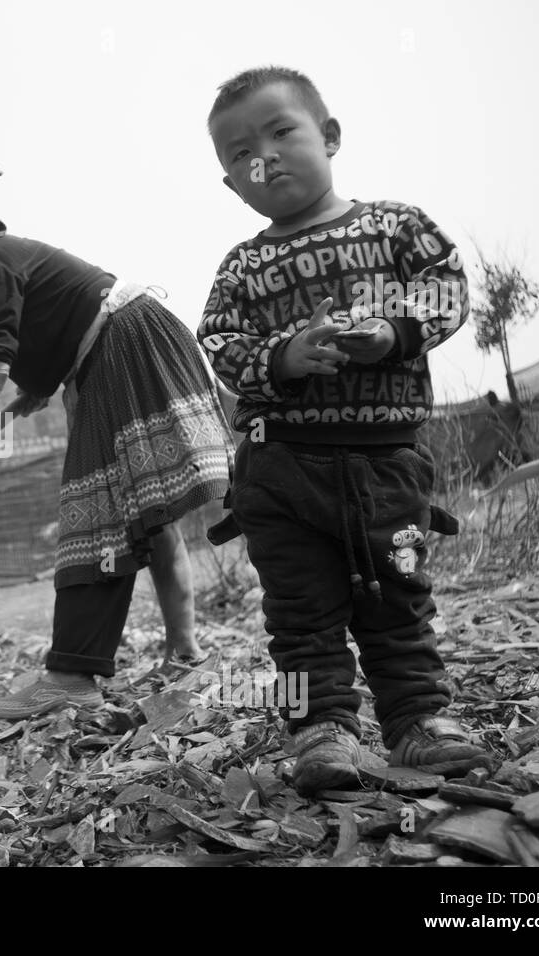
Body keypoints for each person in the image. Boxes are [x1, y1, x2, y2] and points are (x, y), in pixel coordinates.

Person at [197, 66, 493, 794]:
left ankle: (418, 719)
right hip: (279, 474)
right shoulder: (242, 267)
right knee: (301, 616)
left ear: (329, 136)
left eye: (280, 132)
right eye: (238, 154)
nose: (261, 157)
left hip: (384, 467)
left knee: (396, 602)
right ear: (231, 185)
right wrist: (285, 356)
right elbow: (221, 344)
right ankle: (323, 730)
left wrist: (394, 331)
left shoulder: (394, 227)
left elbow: (446, 287)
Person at [0, 169, 234, 719]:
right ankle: (184, 650)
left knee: (98, 515)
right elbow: (42, 327)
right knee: (143, 513)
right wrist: (35, 390)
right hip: (123, 340)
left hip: (122, 345)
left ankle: (70, 675)